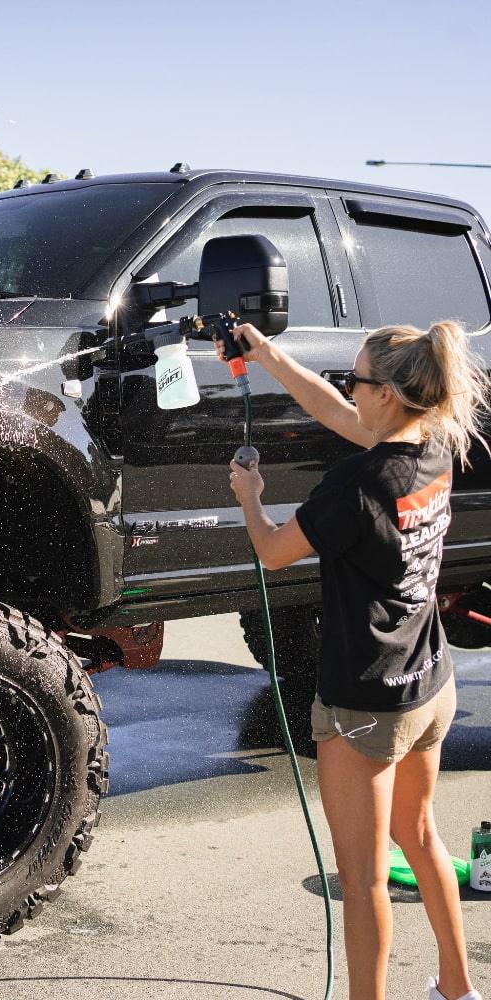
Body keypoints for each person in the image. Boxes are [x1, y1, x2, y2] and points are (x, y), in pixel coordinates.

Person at [217, 319, 489, 1000]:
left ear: (389, 395)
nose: (348, 389)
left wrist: (251, 499)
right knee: (422, 836)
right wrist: (270, 357)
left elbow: (275, 551)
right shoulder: (431, 446)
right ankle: (457, 989)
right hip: (428, 685)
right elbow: (334, 412)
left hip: (365, 704)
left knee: (365, 878)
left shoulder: (355, 485)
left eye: (358, 378)